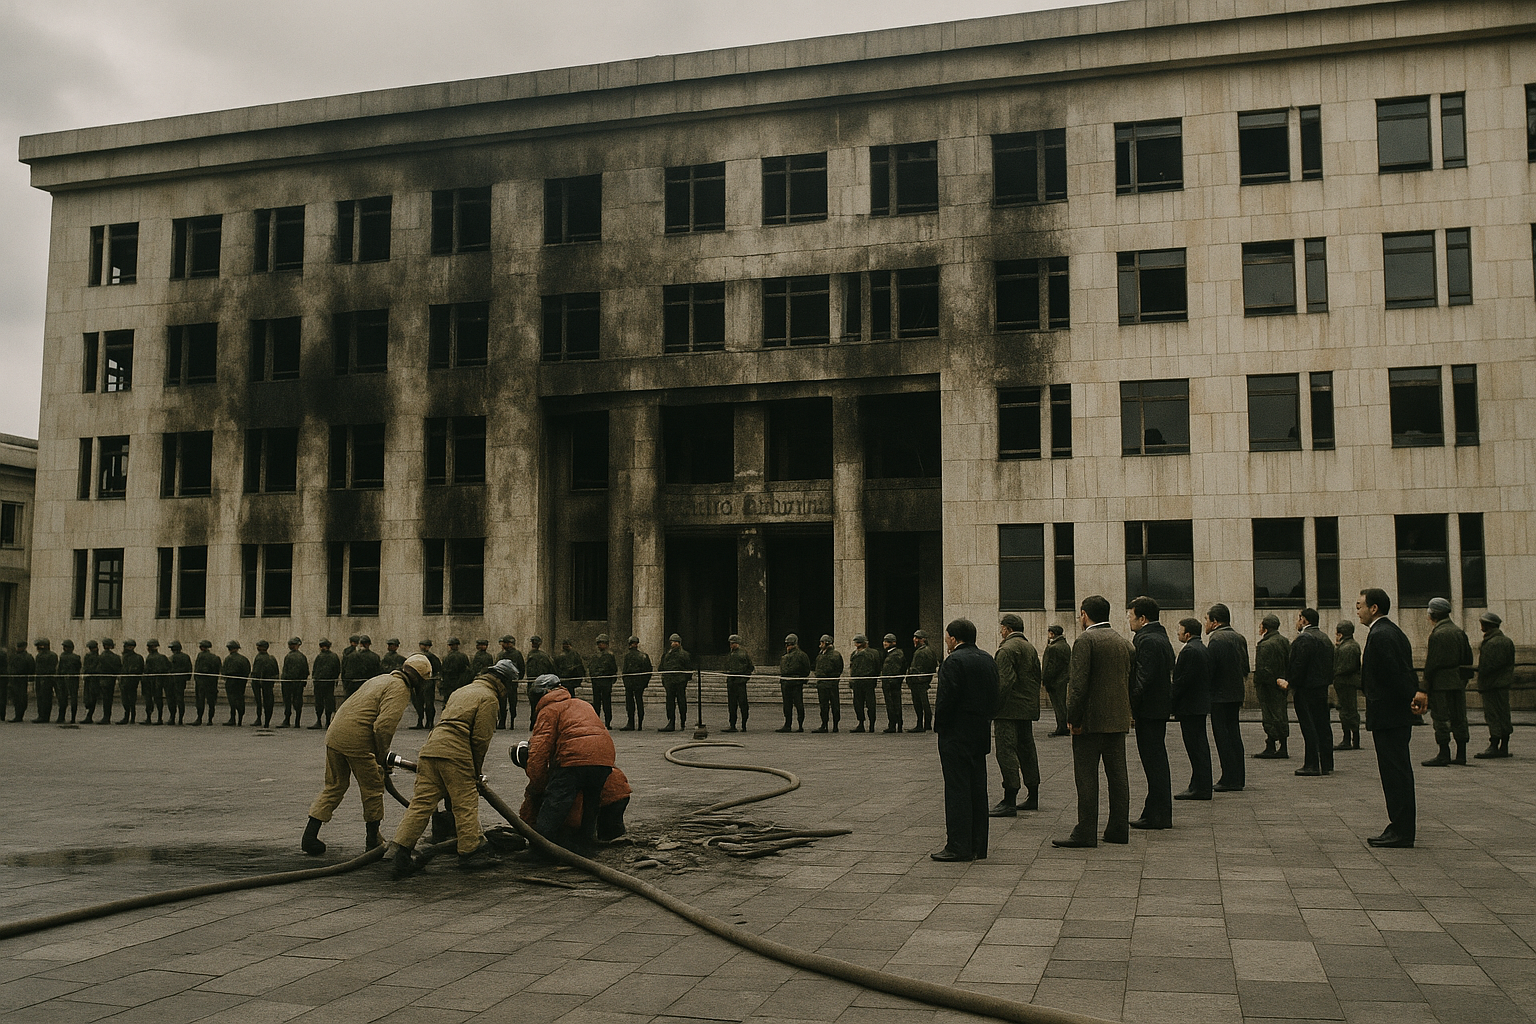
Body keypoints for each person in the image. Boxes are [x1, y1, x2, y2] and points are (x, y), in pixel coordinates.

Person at [388, 659, 517, 877]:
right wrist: (475, 772)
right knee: (465, 802)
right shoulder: (489, 698)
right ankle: (470, 851)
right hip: (455, 753)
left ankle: (401, 851)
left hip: (430, 749)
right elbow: (480, 739)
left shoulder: (462, 691)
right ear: (503, 682)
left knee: (421, 804)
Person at [302, 653, 433, 857]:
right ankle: (373, 840)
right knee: (373, 787)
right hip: (357, 741)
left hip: (334, 735)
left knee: (335, 785)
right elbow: (383, 727)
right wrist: (382, 756)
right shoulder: (400, 689)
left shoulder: (381, 678)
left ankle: (309, 836)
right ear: (418, 678)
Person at [1054, 595, 1134, 849]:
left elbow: (1078, 685)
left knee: (1087, 777)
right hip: (1117, 720)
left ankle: (1086, 830)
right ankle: (1118, 828)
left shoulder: (1085, 640)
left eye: (1080, 614)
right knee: (1118, 775)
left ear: (1085, 614)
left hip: (1090, 722)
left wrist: (1072, 718)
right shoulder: (1124, 642)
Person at [520, 673, 618, 855]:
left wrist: (539, 784)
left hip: (574, 759)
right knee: (590, 805)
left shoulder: (549, 710)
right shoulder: (583, 704)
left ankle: (540, 850)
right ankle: (585, 847)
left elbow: (539, 750)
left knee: (555, 804)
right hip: (604, 759)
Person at [1357, 587, 1423, 848]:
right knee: (1398, 771)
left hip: (1389, 714)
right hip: (1394, 714)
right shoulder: (1391, 631)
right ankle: (1399, 825)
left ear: (1374, 608)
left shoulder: (1381, 634)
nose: (1358, 610)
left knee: (1395, 773)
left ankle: (1401, 829)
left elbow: (1393, 674)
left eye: (1360, 605)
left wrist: (1412, 695)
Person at [932, 618, 999, 862]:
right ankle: (978, 845)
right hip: (979, 732)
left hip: (956, 734)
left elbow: (946, 700)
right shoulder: (987, 659)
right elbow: (995, 696)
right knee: (977, 789)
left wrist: (940, 726)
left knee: (957, 789)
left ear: (953, 638)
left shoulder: (953, 661)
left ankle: (958, 845)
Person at [1126, 597, 1173, 830]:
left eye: (1131, 616)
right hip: (1158, 709)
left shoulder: (1147, 640)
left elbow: (1142, 678)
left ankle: (1158, 814)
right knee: (1156, 761)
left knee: (1153, 763)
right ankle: (1154, 810)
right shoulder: (1160, 637)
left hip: (1150, 711)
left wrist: (1130, 706)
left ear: (1142, 618)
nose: (1129, 621)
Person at [991, 614, 1042, 817]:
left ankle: (1009, 798)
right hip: (1026, 709)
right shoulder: (1030, 648)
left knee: (1006, 751)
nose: (1000, 631)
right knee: (1027, 750)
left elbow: (1003, 682)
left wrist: (993, 707)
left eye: (1001, 628)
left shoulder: (1006, 649)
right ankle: (1033, 793)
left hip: (1008, 710)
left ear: (1007, 629)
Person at [1278, 609, 1334, 776]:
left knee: (1309, 726)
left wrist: (1290, 682)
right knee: (1322, 725)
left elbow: (1298, 665)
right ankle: (1326, 762)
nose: (1297, 622)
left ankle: (1312, 763)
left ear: (1303, 620)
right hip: (1321, 687)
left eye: (1298, 618)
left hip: (1306, 689)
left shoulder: (1303, 639)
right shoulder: (1325, 638)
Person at [1421, 598, 1473, 767]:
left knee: (1441, 718)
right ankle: (1461, 753)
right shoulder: (1458, 631)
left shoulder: (1438, 634)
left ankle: (1444, 753)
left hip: (1441, 683)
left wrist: (1424, 685)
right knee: (1459, 717)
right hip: (1457, 681)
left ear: (1434, 614)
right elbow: (1468, 658)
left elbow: (1432, 663)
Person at [1205, 604, 1249, 791]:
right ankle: (1238, 776)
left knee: (1223, 737)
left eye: (1206, 620)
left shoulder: (1216, 640)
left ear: (1215, 622)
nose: (1205, 624)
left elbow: (1210, 670)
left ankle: (1228, 777)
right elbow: (1245, 668)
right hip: (1236, 693)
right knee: (1234, 735)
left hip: (1219, 696)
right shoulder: (1239, 638)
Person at [1171, 618, 1212, 800]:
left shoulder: (1189, 650)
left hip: (1190, 707)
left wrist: (1171, 702)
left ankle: (1200, 787)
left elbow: (1182, 681)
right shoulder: (1201, 648)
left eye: (1180, 630)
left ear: (1187, 633)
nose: (1178, 633)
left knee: (1196, 747)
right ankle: (1198, 784)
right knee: (1199, 746)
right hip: (1198, 705)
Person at [1474, 612, 1515, 759]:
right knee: (1504, 713)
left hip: (1492, 685)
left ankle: (1494, 744)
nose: (1481, 628)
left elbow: (1489, 666)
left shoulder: (1493, 643)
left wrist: (1478, 672)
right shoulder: (1506, 641)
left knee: (1493, 714)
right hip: (1502, 683)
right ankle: (1503, 745)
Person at [1252, 614, 1291, 759]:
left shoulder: (1265, 644)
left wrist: (1260, 683)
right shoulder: (1284, 641)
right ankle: (1283, 745)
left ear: (1265, 628)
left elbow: (1263, 669)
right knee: (1281, 714)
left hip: (1268, 686)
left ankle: (1271, 746)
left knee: (1270, 715)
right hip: (1282, 683)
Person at [1332, 621, 1362, 751]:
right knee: (1349, 709)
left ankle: (1348, 739)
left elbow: (1342, 667)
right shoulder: (1352, 645)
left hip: (1345, 683)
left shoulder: (1346, 647)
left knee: (1347, 710)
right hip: (1348, 682)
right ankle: (1353, 738)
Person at [657, 634, 692, 732]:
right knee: (670, 703)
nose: (674, 643)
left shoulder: (684, 654)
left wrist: (683, 680)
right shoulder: (667, 654)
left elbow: (689, 669)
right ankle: (671, 722)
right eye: (672, 642)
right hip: (669, 682)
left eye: (675, 642)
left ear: (679, 643)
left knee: (681, 702)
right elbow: (661, 667)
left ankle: (683, 722)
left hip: (680, 682)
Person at [777, 634, 811, 732]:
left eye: (790, 644)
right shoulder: (785, 656)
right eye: (787, 644)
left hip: (796, 683)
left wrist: (801, 678)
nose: (788, 646)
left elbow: (806, 668)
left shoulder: (802, 655)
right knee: (787, 705)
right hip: (786, 683)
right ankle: (787, 724)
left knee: (798, 704)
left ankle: (800, 725)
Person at [1042, 624, 1071, 737]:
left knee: (1058, 705)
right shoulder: (1065, 645)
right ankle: (1063, 725)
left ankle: (1061, 727)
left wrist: (1046, 679)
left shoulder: (1053, 647)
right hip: (1063, 679)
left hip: (1054, 681)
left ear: (1053, 633)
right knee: (1062, 704)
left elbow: (1050, 666)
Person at [847, 634, 880, 733]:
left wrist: (873, 678)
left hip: (868, 682)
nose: (856, 644)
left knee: (870, 704)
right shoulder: (854, 654)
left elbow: (877, 667)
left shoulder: (873, 653)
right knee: (858, 704)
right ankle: (861, 723)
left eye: (859, 642)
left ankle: (872, 724)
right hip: (857, 682)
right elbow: (852, 667)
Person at [906, 630, 937, 733]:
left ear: (923, 640)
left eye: (917, 638)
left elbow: (927, 667)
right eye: (914, 638)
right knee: (921, 703)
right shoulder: (924, 650)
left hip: (920, 682)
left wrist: (917, 678)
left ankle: (923, 724)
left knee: (922, 704)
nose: (915, 640)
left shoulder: (924, 651)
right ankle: (924, 724)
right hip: (919, 681)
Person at [812, 634, 844, 733]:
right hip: (822, 684)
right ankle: (824, 724)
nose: (820, 645)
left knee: (835, 705)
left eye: (822, 643)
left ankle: (835, 725)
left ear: (826, 643)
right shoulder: (820, 655)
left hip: (831, 684)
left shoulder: (835, 655)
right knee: (823, 706)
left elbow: (839, 668)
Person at [877, 634, 907, 736]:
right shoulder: (889, 654)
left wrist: (892, 681)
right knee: (891, 704)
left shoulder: (896, 654)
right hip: (888, 683)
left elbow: (897, 669)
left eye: (887, 642)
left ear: (893, 643)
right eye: (884, 641)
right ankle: (893, 724)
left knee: (894, 704)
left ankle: (895, 724)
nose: (885, 643)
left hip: (892, 684)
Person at [620, 636, 652, 731]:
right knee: (636, 702)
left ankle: (634, 723)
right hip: (635, 683)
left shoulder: (631, 656)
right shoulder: (642, 656)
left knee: (634, 703)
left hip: (633, 683)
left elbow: (647, 671)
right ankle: (636, 723)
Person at [723, 634, 754, 732]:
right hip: (732, 682)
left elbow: (750, 667)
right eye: (730, 643)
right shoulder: (730, 654)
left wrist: (745, 678)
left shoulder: (743, 654)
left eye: (733, 643)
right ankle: (733, 725)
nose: (731, 645)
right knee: (732, 705)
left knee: (743, 704)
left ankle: (743, 725)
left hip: (739, 682)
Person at [588, 634, 618, 729]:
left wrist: (611, 679)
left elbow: (613, 668)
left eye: (602, 643)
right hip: (596, 683)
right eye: (599, 643)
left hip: (606, 682)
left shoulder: (609, 655)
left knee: (606, 703)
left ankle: (608, 722)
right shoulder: (595, 656)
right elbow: (591, 667)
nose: (600, 645)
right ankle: (596, 721)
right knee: (596, 703)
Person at [310, 639, 341, 729]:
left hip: (322, 683)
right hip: (327, 683)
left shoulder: (320, 657)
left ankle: (322, 721)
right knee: (326, 701)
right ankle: (325, 721)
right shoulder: (333, 656)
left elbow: (315, 670)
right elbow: (337, 670)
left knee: (321, 702)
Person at [279, 637, 309, 728]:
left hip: (288, 683)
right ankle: (297, 721)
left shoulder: (288, 656)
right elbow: (306, 671)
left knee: (288, 701)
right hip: (298, 683)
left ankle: (287, 720)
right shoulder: (302, 657)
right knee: (298, 701)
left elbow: (285, 671)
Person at [492, 636, 521, 728]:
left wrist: (517, 679)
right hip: (502, 682)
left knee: (512, 702)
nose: (503, 645)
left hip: (511, 683)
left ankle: (512, 721)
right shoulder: (500, 655)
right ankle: (502, 721)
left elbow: (521, 667)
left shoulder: (517, 654)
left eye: (505, 643)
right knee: (501, 703)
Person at [251, 640, 279, 727]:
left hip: (258, 682)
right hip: (268, 683)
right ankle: (267, 721)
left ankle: (259, 719)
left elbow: (255, 671)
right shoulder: (272, 658)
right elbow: (276, 673)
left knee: (259, 701)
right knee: (268, 702)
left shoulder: (258, 658)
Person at [525, 636, 555, 717]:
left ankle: (534, 720)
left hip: (540, 683)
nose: (533, 644)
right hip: (535, 682)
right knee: (537, 704)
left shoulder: (542, 655)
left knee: (536, 704)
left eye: (535, 643)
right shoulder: (532, 654)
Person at [221, 641, 250, 726]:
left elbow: (224, 671)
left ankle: (232, 718)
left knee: (232, 700)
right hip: (241, 682)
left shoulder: (228, 659)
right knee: (240, 699)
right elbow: (247, 670)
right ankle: (240, 719)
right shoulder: (244, 659)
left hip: (231, 682)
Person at [417, 639, 444, 729]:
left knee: (428, 703)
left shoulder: (431, 657)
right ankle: (421, 722)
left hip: (428, 681)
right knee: (419, 703)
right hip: (420, 682)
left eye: (424, 645)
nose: (422, 647)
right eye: (421, 645)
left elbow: (438, 670)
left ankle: (429, 722)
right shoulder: (419, 656)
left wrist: (437, 681)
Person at [193, 640, 221, 725]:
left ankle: (199, 718)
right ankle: (210, 720)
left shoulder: (200, 656)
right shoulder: (215, 657)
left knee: (200, 700)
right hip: (212, 682)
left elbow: (197, 669)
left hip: (201, 682)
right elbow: (218, 670)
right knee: (211, 702)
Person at [142, 639, 168, 725]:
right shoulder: (163, 657)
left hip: (150, 681)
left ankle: (149, 718)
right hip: (159, 681)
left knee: (149, 700)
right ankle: (159, 718)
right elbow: (167, 668)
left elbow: (146, 670)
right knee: (158, 700)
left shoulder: (150, 658)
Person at [116, 639, 142, 724]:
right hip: (125, 681)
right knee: (126, 700)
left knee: (130, 700)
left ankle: (131, 717)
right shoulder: (124, 657)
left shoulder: (136, 657)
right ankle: (128, 717)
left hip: (130, 682)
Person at [166, 640, 191, 725]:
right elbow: (189, 669)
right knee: (180, 699)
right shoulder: (186, 657)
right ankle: (180, 719)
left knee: (171, 700)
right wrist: (186, 678)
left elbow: (169, 669)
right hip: (181, 681)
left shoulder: (172, 658)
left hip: (172, 681)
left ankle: (172, 717)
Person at [97, 638, 121, 725]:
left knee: (105, 699)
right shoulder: (116, 657)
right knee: (109, 699)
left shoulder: (101, 657)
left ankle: (105, 717)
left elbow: (98, 668)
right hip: (111, 680)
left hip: (103, 679)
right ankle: (107, 716)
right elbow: (118, 668)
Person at [8, 639, 33, 723]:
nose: (17, 648)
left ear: (24, 647)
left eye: (19, 647)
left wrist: (30, 679)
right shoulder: (14, 656)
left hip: (22, 680)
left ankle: (19, 715)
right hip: (13, 680)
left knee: (21, 698)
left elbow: (31, 668)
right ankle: (17, 715)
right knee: (15, 698)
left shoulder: (27, 657)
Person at [55, 639, 81, 724]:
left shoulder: (63, 656)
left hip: (63, 679)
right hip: (73, 679)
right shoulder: (77, 657)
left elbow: (59, 669)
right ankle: (73, 718)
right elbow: (79, 667)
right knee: (74, 698)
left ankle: (61, 717)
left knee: (62, 699)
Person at [33, 639, 57, 724]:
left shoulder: (50, 655)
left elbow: (51, 668)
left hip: (46, 679)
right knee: (40, 697)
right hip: (40, 678)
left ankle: (44, 716)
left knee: (45, 698)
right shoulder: (40, 655)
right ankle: (42, 715)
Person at [82, 639, 104, 724]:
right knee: (89, 698)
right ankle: (89, 716)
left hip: (94, 679)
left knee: (91, 698)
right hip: (90, 679)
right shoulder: (94, 656)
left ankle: (89, 716)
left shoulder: (96, 657)